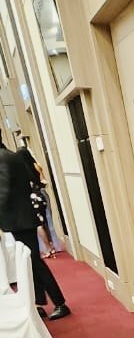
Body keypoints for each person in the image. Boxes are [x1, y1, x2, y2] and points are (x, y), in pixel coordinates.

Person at [0, 132, 70, 319]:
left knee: (34, 263)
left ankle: (60, 303)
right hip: (22, 217)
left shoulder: (3, 159)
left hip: (18, 220)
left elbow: (3, 191)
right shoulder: (12, 156)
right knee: (30, 262)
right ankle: (40, 303)